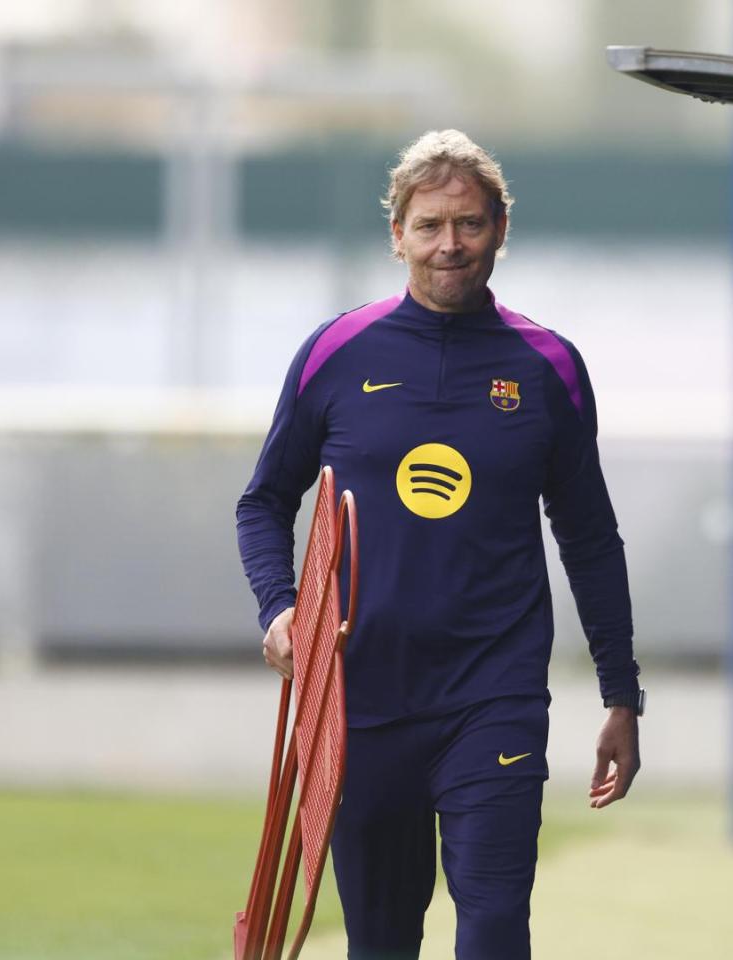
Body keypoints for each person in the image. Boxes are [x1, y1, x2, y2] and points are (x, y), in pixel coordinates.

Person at [235, 128, 643, 959]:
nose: (449, 245)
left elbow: (591, 540)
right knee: (381, 941)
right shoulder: (335, 353)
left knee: (493, 928)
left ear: (499, 229)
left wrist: (621, 693)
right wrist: (280, 607)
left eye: (468, 224)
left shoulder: (547, 367)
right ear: (397, 235)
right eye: (429, 226)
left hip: (493, 692)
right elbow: (264, 501)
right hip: (359, 700)